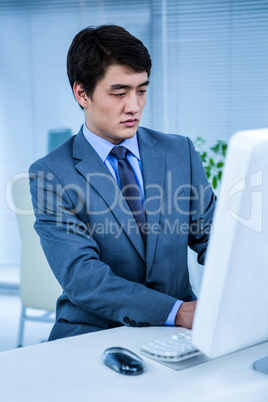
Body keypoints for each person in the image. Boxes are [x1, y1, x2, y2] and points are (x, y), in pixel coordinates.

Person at [29, 25, 216, 341]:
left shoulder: (179, 151)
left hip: (182, 330)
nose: (134, 106)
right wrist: (176, 312)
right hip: (92, 331)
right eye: (119, 93)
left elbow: (213, 239)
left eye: (141, 90)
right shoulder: (51, 175)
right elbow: (84, 279)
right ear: (82, 93)